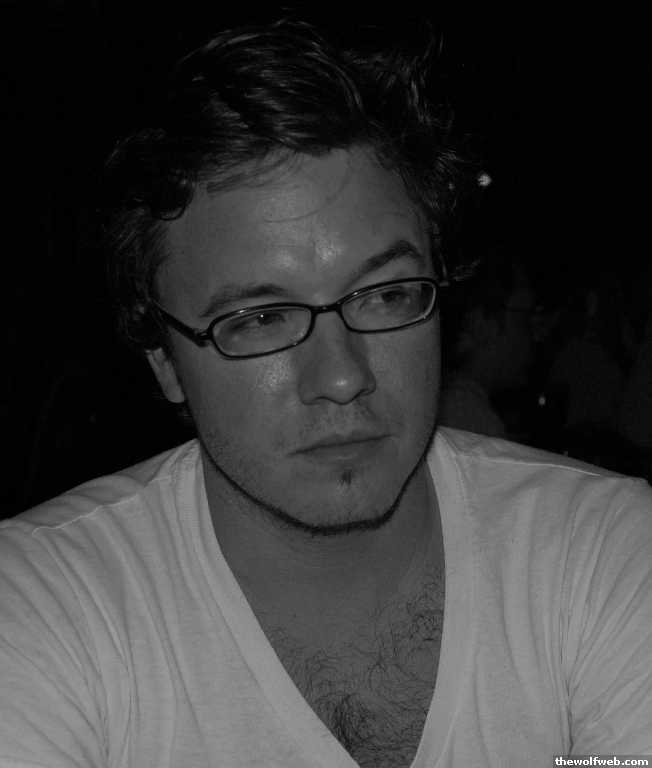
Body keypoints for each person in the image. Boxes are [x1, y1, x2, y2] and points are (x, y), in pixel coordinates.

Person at [1, 18, 651, 768]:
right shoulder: (46, 606)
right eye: (260, 318)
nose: (343, 376)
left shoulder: (598, 553)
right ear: (164, 360)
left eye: (385, 294)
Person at [438, 244, 537, 440]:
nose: (534, 335)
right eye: (525, 318)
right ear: (483, 322)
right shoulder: (470, 419)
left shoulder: (454, 407)